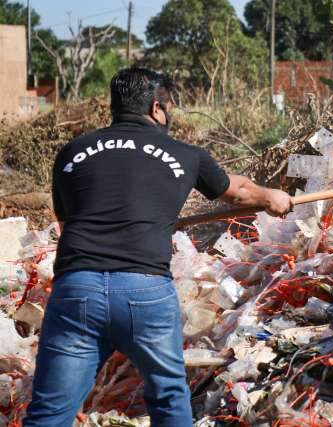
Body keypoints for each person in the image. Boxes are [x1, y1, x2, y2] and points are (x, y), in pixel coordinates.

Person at [23, 68, 293, 427]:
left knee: (48, 413)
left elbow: (65, 222)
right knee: (168, 399)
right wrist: (272, 197)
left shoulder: (72, 152)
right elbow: (237, 191)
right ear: (156, 108)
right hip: (144, 292)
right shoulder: (186, 154)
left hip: (78, 290)